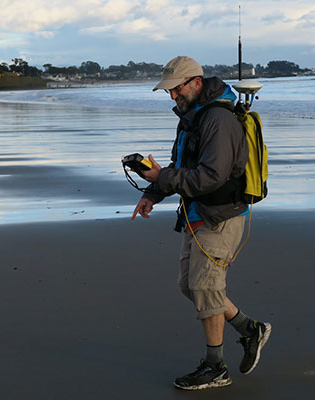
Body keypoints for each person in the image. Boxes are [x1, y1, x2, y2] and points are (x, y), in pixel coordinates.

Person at [131, 56, 271, 390]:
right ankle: (250, 329)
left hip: (221, 215)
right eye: (169, 90)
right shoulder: (191, 117)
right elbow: (181, 165)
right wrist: (153, 190)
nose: (172, 96)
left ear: (195, 82)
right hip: (197, 214)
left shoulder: (219, 120)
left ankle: (215, 367)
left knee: (206, 288)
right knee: (190, 286)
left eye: (175, 89)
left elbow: (211, 176)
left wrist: (161, 177)